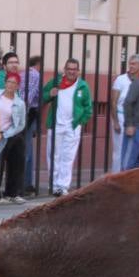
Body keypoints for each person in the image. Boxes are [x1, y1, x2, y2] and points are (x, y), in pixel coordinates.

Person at [41, 58, 92, 196]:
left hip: (73, 126)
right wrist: (49, 94)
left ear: (78, 71)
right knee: (53, 155)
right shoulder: (56, 82)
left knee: (68, 157)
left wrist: (80, 121)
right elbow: (42, 96)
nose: (71, 71)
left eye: (74, 69)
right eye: (69, 69)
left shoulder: (82, 86)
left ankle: (62, 186)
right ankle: (54, 184)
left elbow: (88, 107)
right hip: (55, 124)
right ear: (65, 70)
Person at [0, 71, 27, 204]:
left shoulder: (19, 103)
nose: (10, 85)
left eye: (14, 83)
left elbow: (21, 124)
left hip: (2, 135)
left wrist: (6, 134)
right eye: (9, 81)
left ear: (18, 86)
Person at [119, 56, 139, 171]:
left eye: (134, 64)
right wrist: (129, 124)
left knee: (137, 159)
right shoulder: (138, 84)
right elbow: (127, 103)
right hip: (135, 126)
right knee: (129, 161)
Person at [108, 57, 137, 174]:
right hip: (121, 116)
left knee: (132, 149)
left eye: (135, 64)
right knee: (119, 149)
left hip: (134, 118)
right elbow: (113, 101)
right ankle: (116, 174)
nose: (132, 66)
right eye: (131, 63)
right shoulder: (121, 80)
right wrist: (115, 121)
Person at [21, 55, 43, 194]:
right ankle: (25, 183)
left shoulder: (23, 73)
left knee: (25, 149)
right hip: (29, 113)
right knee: (27, 150)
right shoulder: (35, 75)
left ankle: (25, 182)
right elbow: (29, 95)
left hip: (26, 113)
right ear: (38, 64)